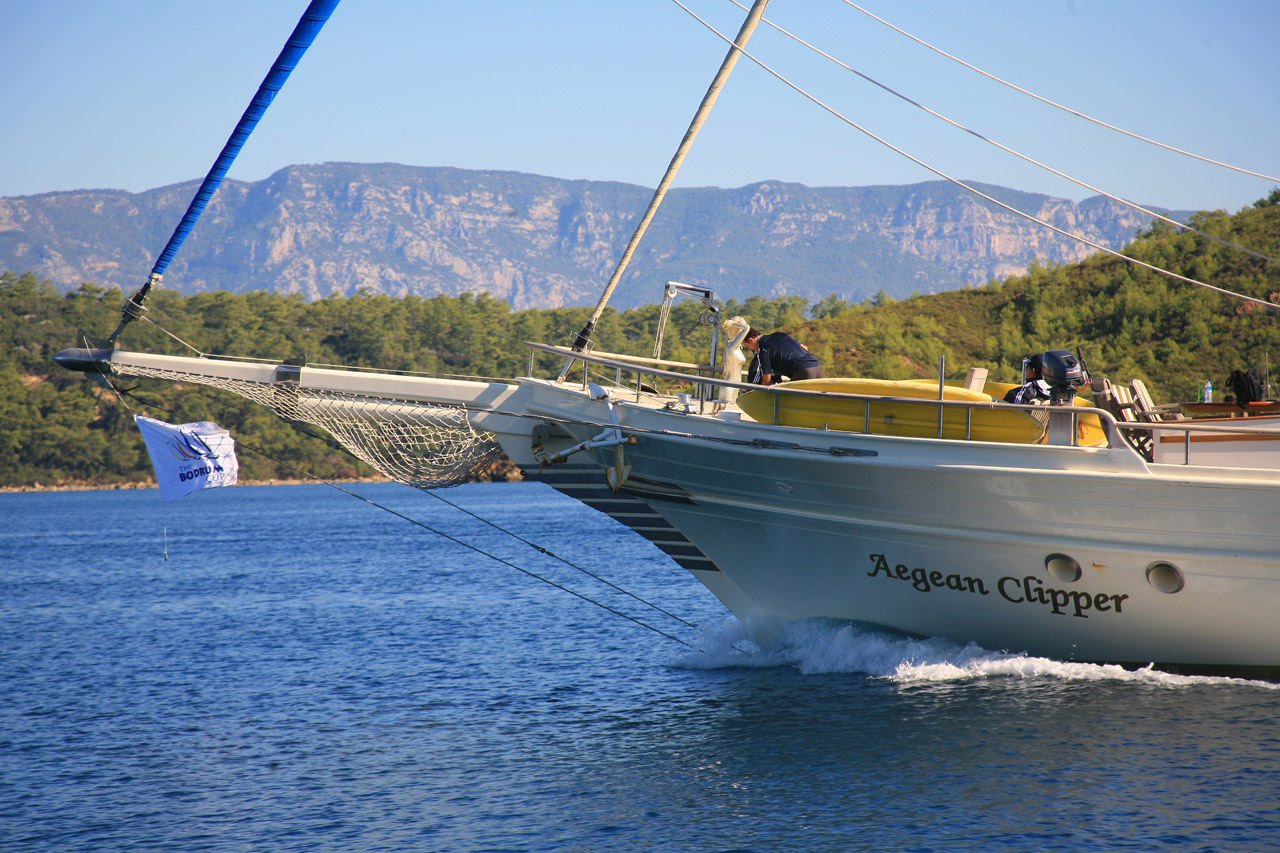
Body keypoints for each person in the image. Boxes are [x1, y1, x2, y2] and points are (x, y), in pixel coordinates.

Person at [743, 327, 823, 386]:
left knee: (790, 402)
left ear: (751, 340)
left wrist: (765, 393)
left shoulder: (763, 348)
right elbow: (804, 347)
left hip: (803, 371)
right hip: (817, 366)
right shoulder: (780, 335)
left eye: (747, 346)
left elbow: (767, 375)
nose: (750, 349)